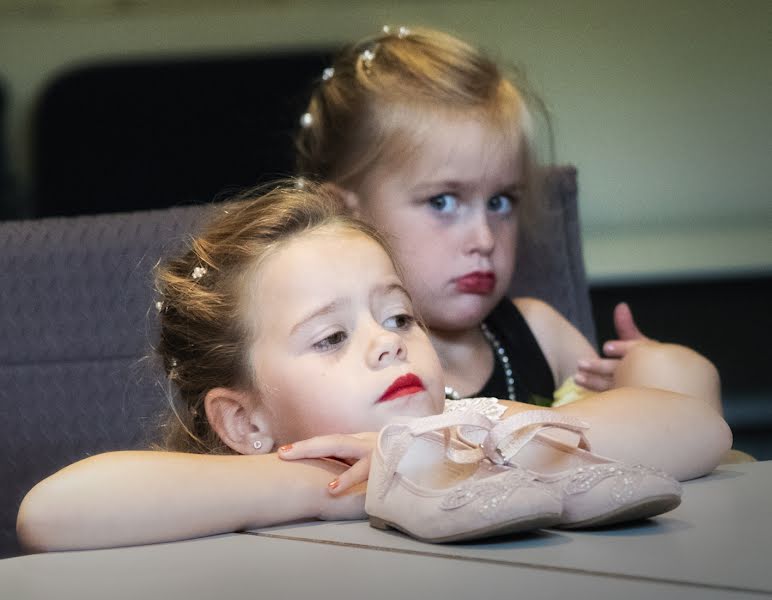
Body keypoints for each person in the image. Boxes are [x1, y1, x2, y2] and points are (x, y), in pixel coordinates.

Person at [17, 182, 730, 553]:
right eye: (330, 337)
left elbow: (694, 428)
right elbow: (50, 513)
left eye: (397, 316)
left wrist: (476, 435)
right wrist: (346, 485)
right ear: (246, 420)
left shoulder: (470, 436)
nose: (389, 343)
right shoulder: (258, 487)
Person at [293, 26, 722, 412]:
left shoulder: (540, 333)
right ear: (344, 214)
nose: (483, 239)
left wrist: (653, 376)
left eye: (500, 202)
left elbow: (650, 441)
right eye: (442, 201)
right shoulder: (338, 373)